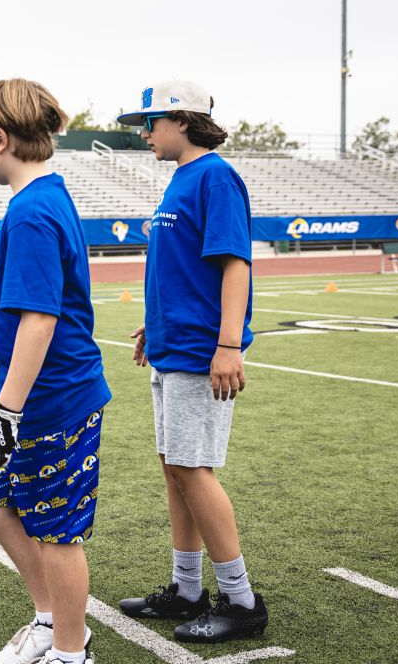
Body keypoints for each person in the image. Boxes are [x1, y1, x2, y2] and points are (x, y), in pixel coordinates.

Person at [113, 81, 269, 643]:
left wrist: (229, 346)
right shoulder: (182, 178)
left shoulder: (216, 176)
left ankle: (242, 601)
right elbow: (181, 271)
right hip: (173, 345)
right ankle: (186, 589)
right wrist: (154, 327)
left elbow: (234, 264)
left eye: (150, 121)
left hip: (203, 351)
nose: (144, 132)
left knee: (192, 468)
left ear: (182, 120)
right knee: (174, 466)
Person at [0, 79, 111, 664]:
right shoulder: (41, 199)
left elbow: (38, 322)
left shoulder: (31, 211)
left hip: (54, 399)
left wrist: (7, 412)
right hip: (42, 397)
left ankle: (71, 653)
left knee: (56, 533)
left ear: (0, 139)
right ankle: (50, 620)